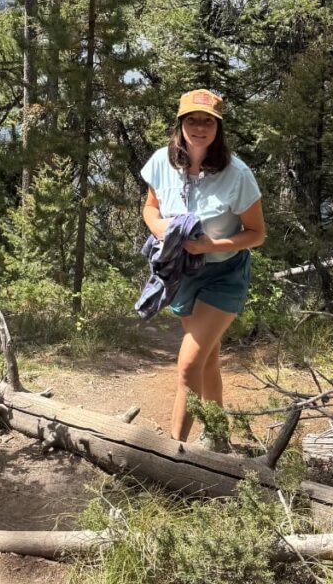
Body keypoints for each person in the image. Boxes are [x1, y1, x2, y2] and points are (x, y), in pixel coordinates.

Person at [140, 89, 266, 443]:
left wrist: (212, 245)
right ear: (180, 124)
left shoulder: (237, 174)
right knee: (208, 358)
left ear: (218, 128)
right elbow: (150, 207)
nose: (199, 127)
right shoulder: (162, 162)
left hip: (224, 275)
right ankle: (218, 435)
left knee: (189, 365)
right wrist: (162, 229)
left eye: (207, 121)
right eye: (192, 120)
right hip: (183, 273)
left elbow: (256, 234)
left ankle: (172, 453)